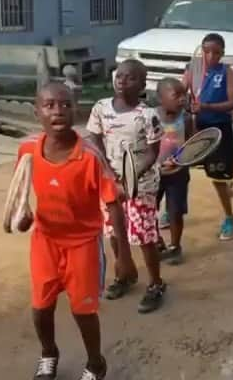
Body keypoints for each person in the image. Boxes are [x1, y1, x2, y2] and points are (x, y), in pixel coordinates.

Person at [7, 82, 131, 380]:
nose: (58, 111)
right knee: (41, 306)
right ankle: (49, 353)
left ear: (76, 110)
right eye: (49, 105)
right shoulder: (27, 151)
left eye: (65, 104)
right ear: (37, 112)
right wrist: (23, 218)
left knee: (83, 310)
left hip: (83, 244)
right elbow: (21, 195)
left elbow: (113, 204)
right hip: (45, 241)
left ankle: (95, 363)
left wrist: (123, 256)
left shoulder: (89, 156)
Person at [87, 59, 166, 313]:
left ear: (142, 84)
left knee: (144, 235)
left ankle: (155, 283)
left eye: (130, 77)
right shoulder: (101, 108)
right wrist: (110, 174)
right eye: (119, 76)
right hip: (110, 183)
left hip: (141, 186)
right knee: (113, 231)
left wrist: (131, 179)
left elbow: (154, 153)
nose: (122, 81)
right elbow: (95, 137)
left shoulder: (147, 115)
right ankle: (124, 274)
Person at [185, 33, 233, 241]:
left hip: (219, 129)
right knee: (177, 171)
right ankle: (171, 211)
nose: (211, 56)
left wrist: (206, 106)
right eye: (207, 51)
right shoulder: (192, 69)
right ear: (201, 50)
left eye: (216, 52)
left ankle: (229, 217)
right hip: (196, 128)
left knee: (217, 178)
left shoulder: (227, 72)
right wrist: (182, 103)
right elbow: (181, 92)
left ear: (222, 53)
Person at [155, 77, 193, 264]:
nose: (182, 99)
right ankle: (156, 240)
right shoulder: (151, 117)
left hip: (178, 174)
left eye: (183, 94)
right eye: (176, 95)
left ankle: (175, 246)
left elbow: (192, 145)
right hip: (153, 174)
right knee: (148, 210)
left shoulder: (186, 118)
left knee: (175, 212)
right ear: (161, 99)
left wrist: (180, 161)